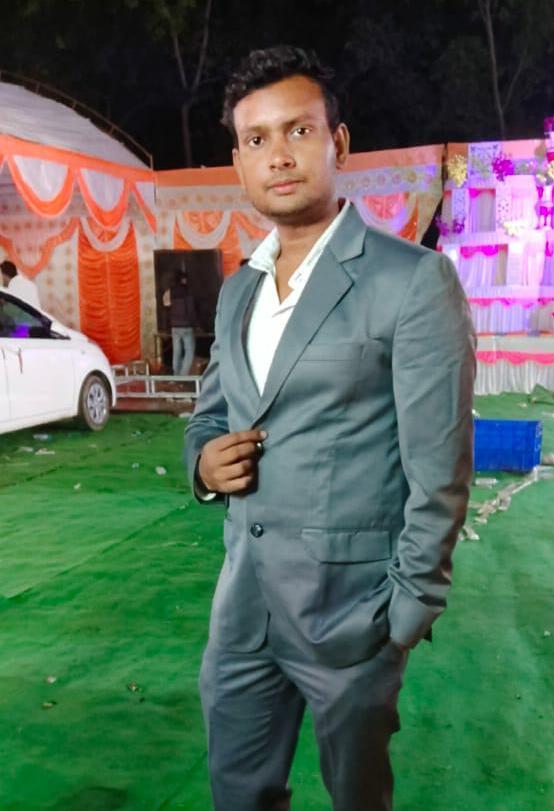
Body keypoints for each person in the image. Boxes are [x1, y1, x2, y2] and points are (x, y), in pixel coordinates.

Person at [184, 46, 476, 811]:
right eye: (256, 139)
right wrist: (203, 463)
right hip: (242, 613)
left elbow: (440, 469)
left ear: (338, 142)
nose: (278, 156)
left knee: (357, 799)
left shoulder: (411, 281)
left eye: (299, 130)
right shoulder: (238, 290)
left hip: (352, 619)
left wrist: (403, 616)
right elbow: (210, 414)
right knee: (236, 792)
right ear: (238, 161)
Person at [163, 269, 197, 375]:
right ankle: (183, 375)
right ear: (183, 279)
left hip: (174, 326)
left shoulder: (169, 291)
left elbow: (166, 307)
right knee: (189, 351)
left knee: (176, 352)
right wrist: (196, 324)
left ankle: (176, 376)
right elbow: (191, 310)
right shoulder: (188, 291)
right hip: (186, 326)